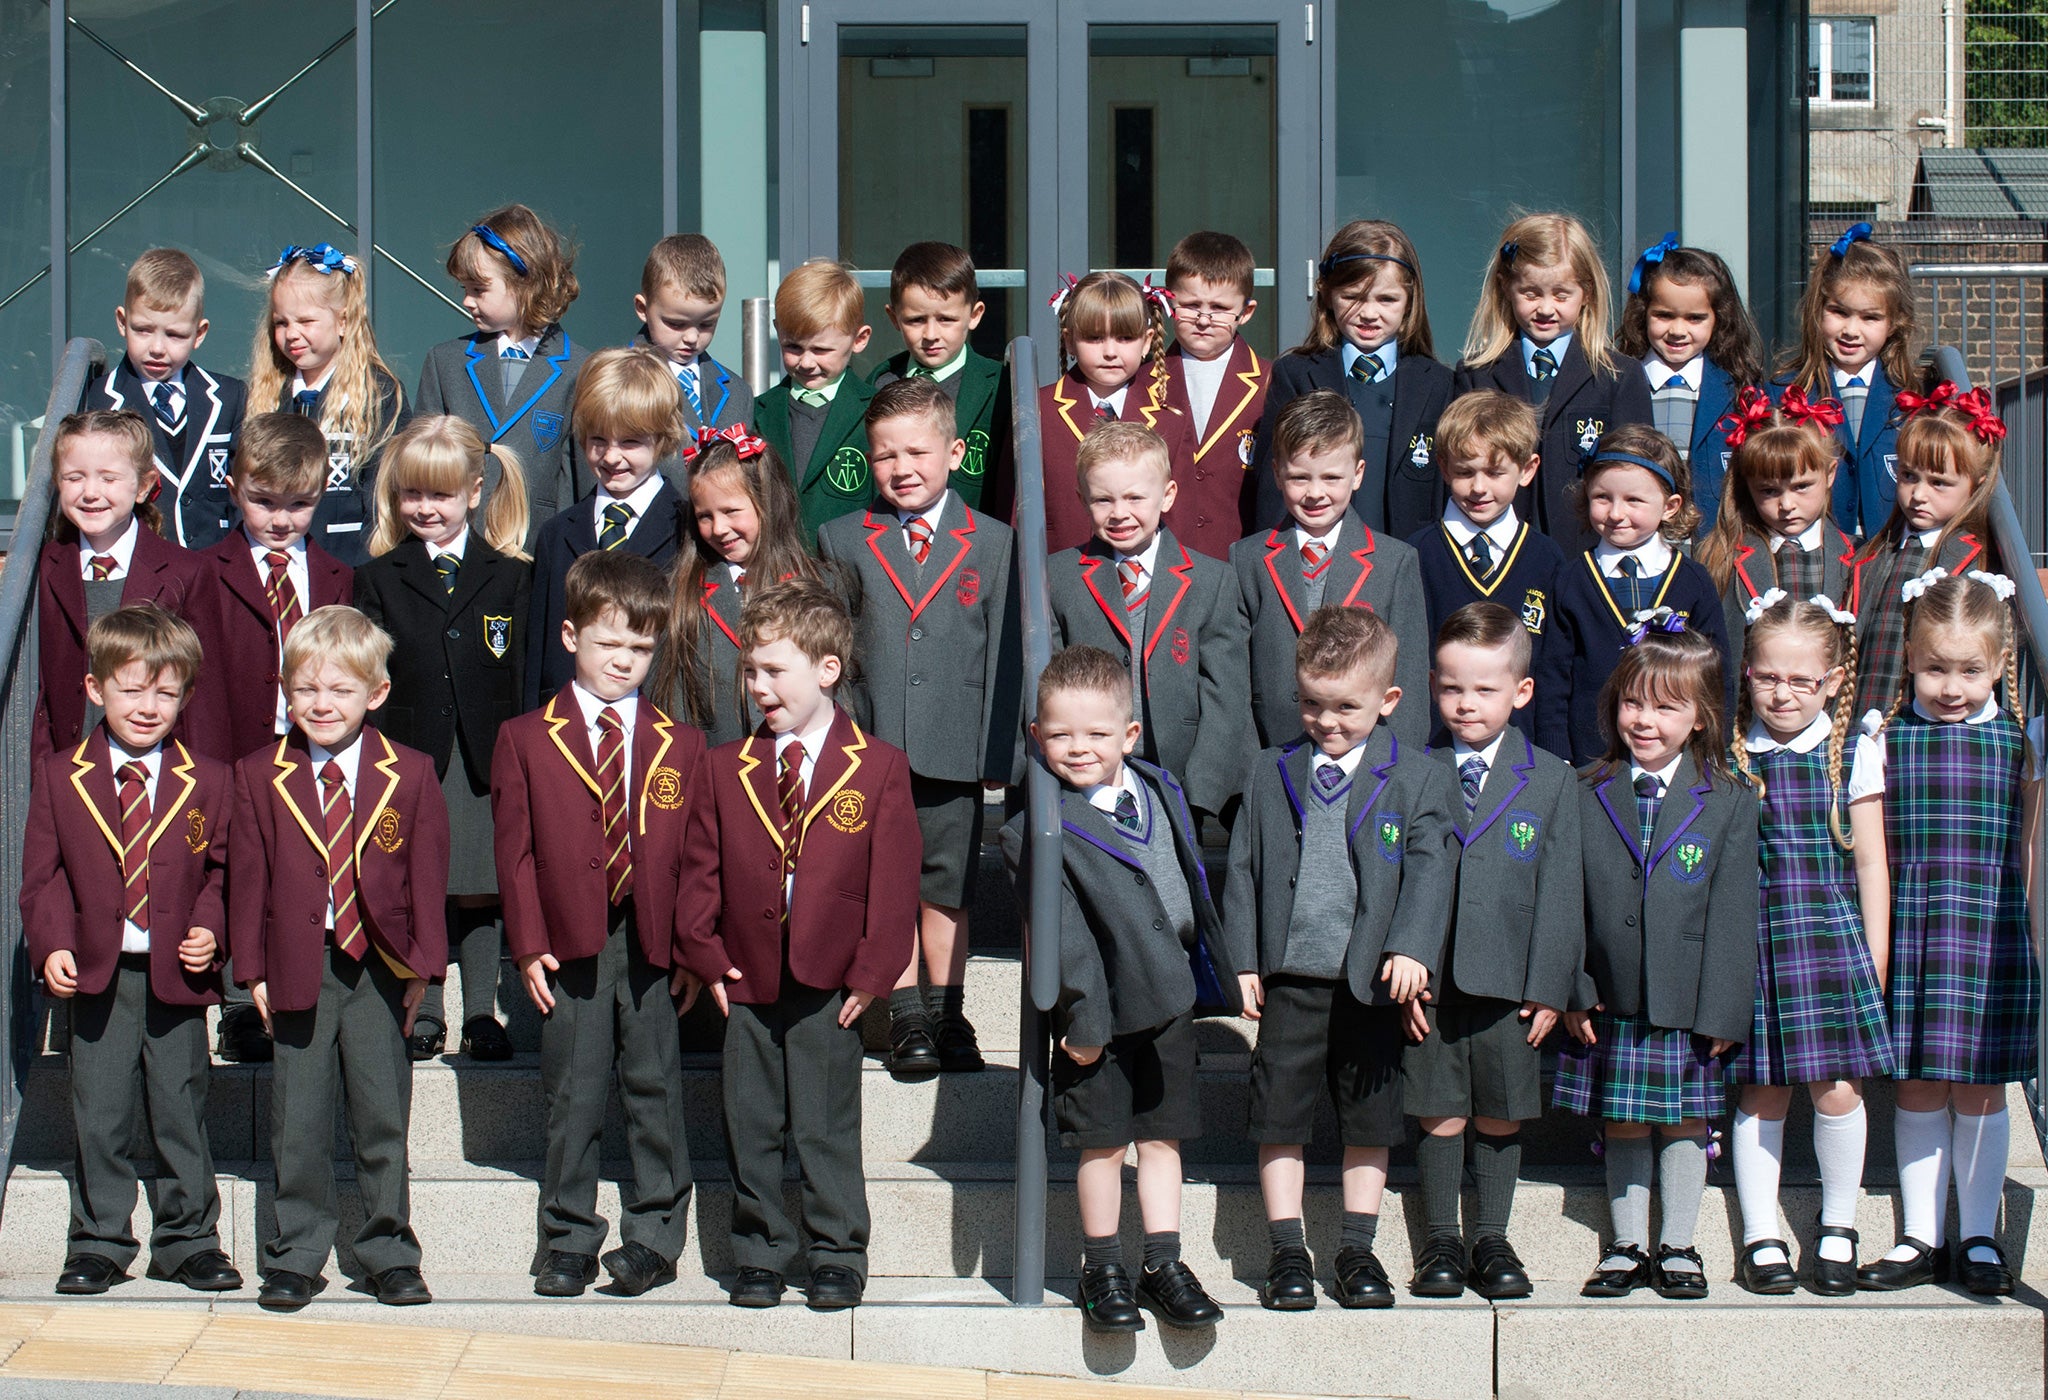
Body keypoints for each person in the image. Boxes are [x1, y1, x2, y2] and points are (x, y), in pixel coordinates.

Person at [678, 580, 921, 1313]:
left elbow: (894, 881)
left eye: (774, 671)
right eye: (750, 672)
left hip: (831, 978)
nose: (758, 687)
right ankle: (759, 1251)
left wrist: (875, 971)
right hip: (746, 972)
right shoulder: (724, 767)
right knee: (750, 1120)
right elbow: (699, 869)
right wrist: (704, 949)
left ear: (826, 669)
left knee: (824, 1124)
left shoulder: (876, 767)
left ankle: (837, 1251)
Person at [1223, 605, 1457, 1312]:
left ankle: (1357, 1248)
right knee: (1279, 1119)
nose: (1327, 722)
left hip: (1370, 984)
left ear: (1387, 701)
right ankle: (1287, 1249)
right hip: (1293, 977)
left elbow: (1432, 865)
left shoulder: (1415, 775)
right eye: (1313, 705)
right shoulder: (1271, 769)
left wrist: (1413, 946)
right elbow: (1243, 869)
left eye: (1346, 707)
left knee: (1370, 1122)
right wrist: (1243, 959)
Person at [1000, 643, 1239, 1333]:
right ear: (1036, 736)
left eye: (1097, 734)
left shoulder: (1159, 787)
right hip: (1096, 1016)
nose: (1079, 748)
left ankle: (1162, 1260)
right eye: (1061, 735)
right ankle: (1101, 1264)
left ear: (1129, 735)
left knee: (1163, 1137)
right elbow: (1064, 935)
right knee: (1102, 1142)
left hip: (1169, 1001)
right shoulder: (1032, 832)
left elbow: (1188, 880)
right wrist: (1081, 1021)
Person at [493, 551, 707, 1300]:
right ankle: (567, 1238)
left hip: (650, 943)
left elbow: (692, 857)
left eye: (641, 648)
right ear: (570, 637)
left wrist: (689, 946)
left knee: (655, 1091)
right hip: (569, 943)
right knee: (573, 1096)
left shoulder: (679, 743)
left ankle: (654, 1237)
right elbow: (514, 852)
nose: (624, 660)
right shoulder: (526, 737)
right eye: (609, 643)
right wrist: (527, 944)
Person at [229, 605, 449, 1312]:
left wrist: (426, 970)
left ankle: (390, 1252)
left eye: (341, 690)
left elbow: (426, 875)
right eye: (307, 690)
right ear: (287, 692)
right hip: (299, 962)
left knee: (383, 1115)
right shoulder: (261, 773)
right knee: (299, 1115)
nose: (323, 705)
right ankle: (296, 1252)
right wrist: (251, 972)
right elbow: (249, 876)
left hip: (380, 967)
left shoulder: (409, 773)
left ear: (375, 694)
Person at [23, 604, 239, 1297]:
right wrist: (51, 943)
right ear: (95, 690)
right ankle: (100, 1238)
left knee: (180, 1105)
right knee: (101, 1108)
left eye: (165, 692)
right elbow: (44, 874)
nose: (147, 707)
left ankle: (190, 1239)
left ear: (186, 695)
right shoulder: (62, 776)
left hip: (176, 971)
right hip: (98, 973)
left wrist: (213, 927)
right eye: (131, 689)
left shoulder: (209, 778)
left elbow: (224, 872)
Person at [817, 379, 1022, 1077]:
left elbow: (1003, 650)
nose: (902, 468)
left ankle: (950, 1009)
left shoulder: (994, 543)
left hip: (954, 746)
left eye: (918, 451)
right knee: (888, 883)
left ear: (955, 452)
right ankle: (905, 1014)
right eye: (884, 455)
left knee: (949, 886)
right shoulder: (841, 537)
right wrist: (842, 739)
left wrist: (1000, 749)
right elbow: (834, 651)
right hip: (873, 748)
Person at [1553, 623, 1758, 1300]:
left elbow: (1732, 912)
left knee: (1684, 1120)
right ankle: (1626, 1245)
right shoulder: (1585, 790)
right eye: (1633, 703)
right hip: (1611, 994)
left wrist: (1726, 1006)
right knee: (1624, 1118)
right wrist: (1575, 989)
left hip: (1687, 995)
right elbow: (1569, 901)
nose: (1645, 720)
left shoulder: (1728, 799)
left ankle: (1678, 1245)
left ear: (1700, 717)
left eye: (1667, 707)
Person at [1856, 571, 2040, 1298]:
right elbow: (1874, 856)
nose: (1953, 685)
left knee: (1982, 1091)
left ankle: (1979, 1236)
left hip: (1991, 936)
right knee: (1920, 1086)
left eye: (1970, 669)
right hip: (1916, 931)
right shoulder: (1885, 739)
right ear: (1909, 659)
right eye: (1936, 668)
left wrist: (2033, 934)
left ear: (1999, 664)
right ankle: (1920, 1236)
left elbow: (2030, 849)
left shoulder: (2021, 743)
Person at [1404, 602, 1584, 1300]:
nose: (1466, 704)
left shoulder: (1550, 779)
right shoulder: (1413, 771)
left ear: (1522, 692)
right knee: (1439, 1107)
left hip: (1512, 982)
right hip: (1435, 981)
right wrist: (1405, 973)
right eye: (1451, 688)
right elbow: (1393, 883)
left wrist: (1550, 986)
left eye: (1484, 689)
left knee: (1502, 1108)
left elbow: (1562, 889)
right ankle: (1442, 1239)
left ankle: (1492, 1234)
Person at [1725, 595, 1893, 1296]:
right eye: (1768, 677)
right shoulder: (1733, 754)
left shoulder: (1851, 751)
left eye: (1801, 680)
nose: (1783, 693)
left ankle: (1837, 1224)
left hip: (1828, 940)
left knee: (1836, 1090)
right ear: (1748, 675)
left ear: (1830, 681)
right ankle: (1762, 1232)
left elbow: (1872, 866)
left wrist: (1876, 963)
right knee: (1761, 1091)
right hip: (1755, 942)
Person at [354, 415, 533, 1062]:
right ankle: (426, 1006)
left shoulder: (511, 575)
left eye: (441, 495)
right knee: (421, 879)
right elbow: (370, 672)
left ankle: (482, 1012)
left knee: (483, 883)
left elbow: (519, 668)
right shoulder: (378, 578)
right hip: (412, 757)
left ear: (476, 492)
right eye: (412, 495)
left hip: (487, 755)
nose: (425, 509)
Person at [187, 413, 353, 1066]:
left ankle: (300, 991)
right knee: (238, 871)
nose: (280, 520)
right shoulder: (204, 573)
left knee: (296, 872)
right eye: (263, 502)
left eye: (299, 504)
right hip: (232, 750)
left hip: (314, 752)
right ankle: (236, 1005)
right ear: (233, 489)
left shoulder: (340, 579)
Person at [1047, 421, 1250, 821]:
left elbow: (1225, 694)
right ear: (1081, 498)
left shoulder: (1212, 580)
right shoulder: (1058, 576)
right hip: (1084, 779)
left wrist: (1200, 792)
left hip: (1179, 778)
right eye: (1103, 500)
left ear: (1167, 495)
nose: (1120, 513)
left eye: (1135, 498)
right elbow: (1046, 682)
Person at [1235, 390, 1428, 751]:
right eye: (1299, 478)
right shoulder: (1246, 559)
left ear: (1357, 475)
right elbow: (1235, 686)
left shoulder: (1395, 562)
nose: (1315, 493)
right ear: (1276, 474)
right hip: (1271, 756)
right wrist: (1250, 770)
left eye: (1331, 478)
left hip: (1368, 763)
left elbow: (1410, 688)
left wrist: (1400, 775)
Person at [1452, 213, 1654, 542]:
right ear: (1506, 288)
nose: (1546, 309)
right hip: (1499, 556)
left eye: (1561, 295)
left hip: (1586, 557)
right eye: (1531, 294)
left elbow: (1637, 477)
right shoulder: (1476, 375)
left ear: (1586, 292)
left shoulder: (1620, 377)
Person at [1541, 426, 1730, 764]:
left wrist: (1715, 749)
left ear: (1670, 506)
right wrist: (1557, 756)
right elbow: (1554, 677)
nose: (1615, 514)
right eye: (1603, 497)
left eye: (1633, 500)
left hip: (1676, 755)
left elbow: (1716, 675)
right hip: (1588, 758)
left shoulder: (1693, 581)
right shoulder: (1570, 579)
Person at [1254, 220, 1450, 539]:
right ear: (1328, 296)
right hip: (1317, 570)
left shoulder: (1438, 384)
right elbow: (1271, 495)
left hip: (1409, 570)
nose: (1369, 313)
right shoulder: (1295, 375)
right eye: (1353, 297)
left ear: (1409, 301)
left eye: (1387, 299)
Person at [33, 409, 205, 759]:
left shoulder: (186, 572)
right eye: (74, 477)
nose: (90, 492)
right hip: (68, 772)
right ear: (56, 482)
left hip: (161, 772)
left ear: (143, 486)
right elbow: (39, 695)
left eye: (108, 479)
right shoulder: (43, 570)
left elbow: (202, 696)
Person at [1404, 390, 1565, 753]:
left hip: (1524, 756)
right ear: (1443, 468)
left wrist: (1555, 753)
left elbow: (1554, 669)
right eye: (1464, 472)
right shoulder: (1415, 554)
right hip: (1433, 753)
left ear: (1527, 470)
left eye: (1495, 473)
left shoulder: (1547, 558)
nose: (1479, 488)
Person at [525, 347, 687, 707]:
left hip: (661, 733)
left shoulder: (688, 531)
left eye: (630, 441)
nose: (612, 457)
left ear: (663, 438)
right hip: (568, 735)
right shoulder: (555, 535)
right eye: (598, 440)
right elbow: (539, 658)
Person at [415, 206, 589, 537]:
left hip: (538, 550)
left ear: (527, 284)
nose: (467, 301)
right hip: (457, 550)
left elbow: (581, 481)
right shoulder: (445, 362)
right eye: (464, 289)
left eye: (478, 289)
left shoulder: (580, 370)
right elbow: (420, 465)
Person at [653, 426, 822, 746]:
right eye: (704, 516)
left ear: (767, 502)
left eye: (731, 511)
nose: (719, 528)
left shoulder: (817, 585)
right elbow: (671, 708)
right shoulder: (681, 596)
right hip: (716, 776)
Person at [246, 243, 404, 565]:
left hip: (349, 569)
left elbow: (385, 500)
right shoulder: (266, 394)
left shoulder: (378, 395)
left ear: (343, 322)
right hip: (276, 568)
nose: (292, 334)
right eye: (281, 323)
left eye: (306, 321)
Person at [1021, 272, 1200, 557]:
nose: (1110, 352)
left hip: (1146, 581)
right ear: (1069, 341)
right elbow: (1016, 510)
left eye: (1125, 337)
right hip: (1058, 579)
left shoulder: (1171, 418)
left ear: (1146, 342)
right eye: (1094, 338)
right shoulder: (1035, 411)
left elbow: (1182, 515)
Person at [79, 248, 246, 550]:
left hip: (216, 574)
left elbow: (243, 495)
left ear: (200, 333)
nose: (157, 347)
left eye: (175, 335)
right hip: (140, 575)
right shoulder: (98, 400)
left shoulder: (230, 397)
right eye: (143, 330)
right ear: (122, 321)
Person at [1850, 385, 2000, 719]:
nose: (1918, 494)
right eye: (1908, 476)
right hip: (1859, 724)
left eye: (1939, 482)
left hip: (1927, 731)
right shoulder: (1872, 556)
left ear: (1976, 483)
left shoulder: (1977, 564)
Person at [1697, 387, 1861, 667]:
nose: (1787, 505)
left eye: (1801, 487)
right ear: (1748, 487)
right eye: (1769, 491)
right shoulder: (1721, 557)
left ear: (1830, 474)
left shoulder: (1861, 557)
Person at [1774, 223, 1919, 539]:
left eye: (1870, 318)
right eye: (1839, 312)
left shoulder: (1914, 401)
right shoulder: (1782, 396)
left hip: (1890, 555)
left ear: (1895, 323)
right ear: (1818, 309)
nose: (1851, 330)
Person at [1615, 238, 1765, 528]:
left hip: (1717, 548)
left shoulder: (1742, 390)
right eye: (1664, 315)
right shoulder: (1617, 381)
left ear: (1718, 319)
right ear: (1643, 312)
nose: (1677, 330)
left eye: (1695, 318)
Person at [869, 240, 1011, 512]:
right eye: (916, 320)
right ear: (893, 317)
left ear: (975, 314)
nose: (931, 334)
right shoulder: (878, 385)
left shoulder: (1002, 388)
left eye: (946, 319)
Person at [754, 259, 878, 545]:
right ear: (777, 330)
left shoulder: (876, 412)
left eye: (821, 350)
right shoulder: (758, 412)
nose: (807, 362)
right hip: (775, 579)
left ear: (859, 339)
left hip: (848, 578)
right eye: (793, 347)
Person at [1159, 230, 1267, 542]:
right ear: (1169, 304)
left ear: (1245, 312)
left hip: (1240, 560)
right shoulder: (1142, 380)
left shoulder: (1270, 382)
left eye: (1219, 308)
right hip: (1162, 565)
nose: (1204, 320)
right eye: (1191, 305)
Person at [635, 233, 756, 492]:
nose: (691, 337)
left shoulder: (737, 392)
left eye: (706, 324)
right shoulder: (619, 380)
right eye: (676, 324)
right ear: (642, 309)